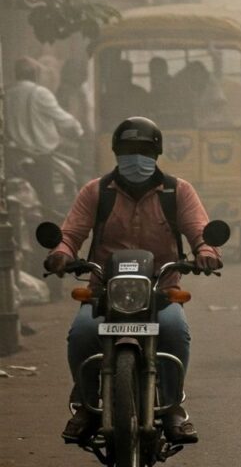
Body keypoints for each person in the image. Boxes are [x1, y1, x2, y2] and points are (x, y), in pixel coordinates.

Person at [46, 117, 222, 444]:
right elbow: (71, 234)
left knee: (175, 331)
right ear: (116, 153)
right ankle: (86, 405)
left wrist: (206, 251)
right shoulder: (96, 191)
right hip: (103, 291)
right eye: (128, 151)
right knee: (83, 334)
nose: (135, 158)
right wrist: (61, 253)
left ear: (156, 154)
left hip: (161, 290)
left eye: (142, 151)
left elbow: (199, 230)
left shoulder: (177, 191)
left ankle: (172, 407)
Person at [5, 57, 84, 207]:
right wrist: (78, 129)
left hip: (14, 157)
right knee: (52, 198)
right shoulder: (40, 93)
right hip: (39, 157)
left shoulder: (7, 92)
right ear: (35, 74)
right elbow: (62, 118)